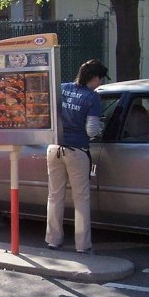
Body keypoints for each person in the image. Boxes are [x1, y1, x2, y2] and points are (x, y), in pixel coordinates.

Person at [45, 59, 108, 255]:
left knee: (55, 196)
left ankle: (53, 240)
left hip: (54, 148)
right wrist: (101, 128)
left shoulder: (61, 88)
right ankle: (83, 245)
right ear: (95, 77)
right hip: (77, 151)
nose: (101, 83)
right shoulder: (92, 98)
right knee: (81, 198)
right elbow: (91, 130)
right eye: (101, 79)